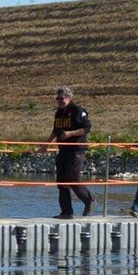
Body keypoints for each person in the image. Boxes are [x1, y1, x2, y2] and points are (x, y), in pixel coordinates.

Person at [40, 86, 95, 219]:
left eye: (62, 98)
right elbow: (55, 130)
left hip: (76, 149)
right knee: (61, 181)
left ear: (69, 98)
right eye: (57, 98)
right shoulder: (59, 112)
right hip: (63, 150)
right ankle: (67, 212)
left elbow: (87, 128)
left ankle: (89, 201)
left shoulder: (77, 110)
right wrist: (46, 144)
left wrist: (70, 133)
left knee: (71, 178)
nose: (59, 100)